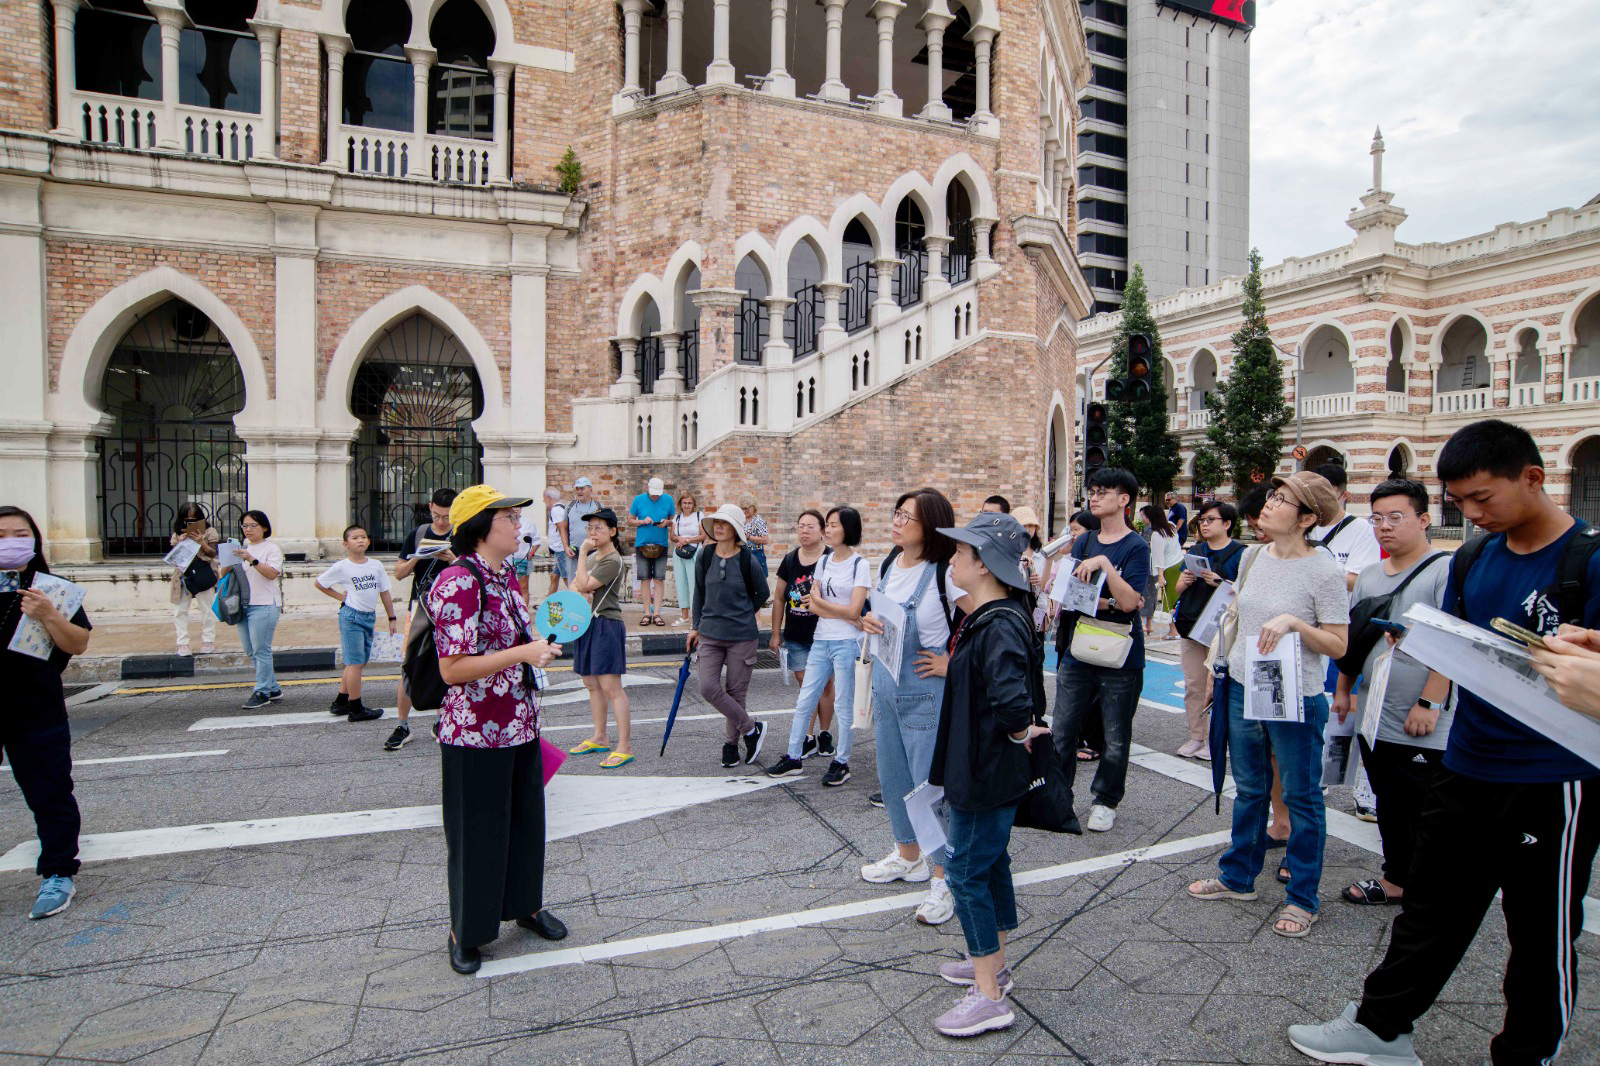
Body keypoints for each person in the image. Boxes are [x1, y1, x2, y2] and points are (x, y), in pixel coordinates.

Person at [1289, 420, 1600, 1066]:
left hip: (1552, 778)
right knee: (1430, 907)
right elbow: (1456, 641)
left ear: (1533, 479)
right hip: (1466, 763)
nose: (1474, 514)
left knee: (1541, 931)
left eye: (1483, 499)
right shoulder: (1475, 557)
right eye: (1461, 504)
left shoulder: (1587, 563)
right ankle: (1382, 1028)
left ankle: (1528, 1051)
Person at [1187, 471, 1349, 939]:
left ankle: (1303, 896)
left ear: (1307, 518)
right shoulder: (1252, 556)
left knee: (1300, 795)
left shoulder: (1323, 570)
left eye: (1283, 500)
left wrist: (1296, 623)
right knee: (1251, 788)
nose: (1270, 504)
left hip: (1295, 696)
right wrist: (1221, 670)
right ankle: (1238, 877)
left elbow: (1338, 645)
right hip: (1242, 684)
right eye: (1273, 496)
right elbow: (1235, 617)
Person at [429, 485, 566, 975]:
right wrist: (522, 654)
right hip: (474, 731)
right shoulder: (458, 581)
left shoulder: (504, 574)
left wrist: (538, 646)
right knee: (476, 834)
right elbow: (453, 669)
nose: (518, 524)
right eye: (508, 516)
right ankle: (465, 930)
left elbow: (517, 635)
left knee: (525, 824)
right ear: (482, 527)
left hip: (518, 721)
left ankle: (524, 906)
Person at [925, 511, 1049, 1039]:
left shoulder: (997, 621)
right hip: (985, 764)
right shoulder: (996, 613)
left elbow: (1011, 701)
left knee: (967, 872)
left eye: (960, 553)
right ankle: (992, 965)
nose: (952, 559)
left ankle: (989, 995)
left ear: (982, 564)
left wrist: (1022, 733)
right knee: (990, 862)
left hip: (984, 767)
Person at [1331, 478, 1450, 907]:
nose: (1384, 526)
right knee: (1391, 802)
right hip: (1375, 711)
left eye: (1396, 517)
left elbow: (1451, 643)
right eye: (1377, 518)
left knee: (1426, 806)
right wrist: (1344, 689)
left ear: (1423, 519)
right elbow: (1356, 637)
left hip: (1422, 716)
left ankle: (1429, 884)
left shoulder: (1444, 570)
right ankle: (1398, 877)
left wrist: (1430, 702)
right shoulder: (1369, 576)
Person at [857, 489, 967, 926]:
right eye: (897, 513)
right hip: (886, 687)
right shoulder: (888, 564)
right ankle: (908, 856)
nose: (898, 521)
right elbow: (880, 617)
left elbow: (987, 618)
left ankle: (944, 877)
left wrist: (952, 662)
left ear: (931, 527)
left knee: (929, 790)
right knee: (893, 778)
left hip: (926, 693)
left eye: (909, 517)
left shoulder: (945, 573)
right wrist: (866, 621)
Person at [0, 505, 92, 920]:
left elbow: (77, 644)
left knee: (50, 791)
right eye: (1, 536)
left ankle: (58, 871)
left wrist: (48, 614)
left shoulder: (53, 589)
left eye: (20, 534)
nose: (11, 543)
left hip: (36, 707)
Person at [1050, 468, 1150, 833]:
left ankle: (1106, 800)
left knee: (1115, 733)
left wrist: (1105, 567)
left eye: (1103, 492)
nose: (1094, 497)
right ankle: (1059, 797)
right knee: (1063, 729)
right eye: (1091, 491)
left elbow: (1130, 603)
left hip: (1121, 653)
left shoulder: (1136, 546)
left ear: (1124, 499)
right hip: (1079, 646)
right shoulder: (1084, 540)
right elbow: (1072, 595)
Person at [767, 506, 869, 786]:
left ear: (848, 529)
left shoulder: (860, 565)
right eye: (829, 525)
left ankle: (842, 761)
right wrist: (836, 609)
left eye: (834, 525)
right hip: (821, 639)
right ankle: (793, 755)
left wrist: (827, 607)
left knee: (844, 703)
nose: (828, 530)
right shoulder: (824, 562)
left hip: (847, 641)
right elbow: (814, 603)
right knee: (805, 700)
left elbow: (854, 610)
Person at [1311, 462, 1384, 822]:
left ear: (1342, 495)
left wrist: (1315, 574)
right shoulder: (1304, 524)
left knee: (1353, 710)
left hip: (1349, 630)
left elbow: (1358, 580)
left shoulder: (1361, 532)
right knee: (1324, 710)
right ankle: (1319, 781)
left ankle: (1365, 793)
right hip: (1310, 632)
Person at [689, 504, 771, 768]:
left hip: (741, 635)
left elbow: (762, 593)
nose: (719, 527)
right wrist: (695, 625)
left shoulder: (748, 560)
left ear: (736, 529)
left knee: (736, 693)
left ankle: (731, 745)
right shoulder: (705, 555)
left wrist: (745, 613)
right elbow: (699, 592)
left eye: (724, 523)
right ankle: (751, 728)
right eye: (716, 523)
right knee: (708, 687)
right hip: (710, 633)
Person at [1171, 498, 1244, 759]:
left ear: (1227, 524)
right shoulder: (1195, 551)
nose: (1204, 524)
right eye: (1202, 520)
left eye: (1210, 519)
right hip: (1191, 626)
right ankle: (1196, 737)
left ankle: (1218, 740)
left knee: (1223, 686)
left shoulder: (1241, 554)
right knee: (1194, 685)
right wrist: (1185, 581)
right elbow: (1177, 589)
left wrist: (1221, 582)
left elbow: (1244, 593)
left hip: (1222, 632)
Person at [388, 489, 457, 751]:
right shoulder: (417, 534)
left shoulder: (460, 535)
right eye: (437, 515)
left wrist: (452, 559)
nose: (441, 522)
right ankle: (402, 725)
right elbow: (398, 573)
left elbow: (472, 572)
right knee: (409, 667)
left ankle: (442, 719)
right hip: (419, 609)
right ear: (430, 508)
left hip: (450, 612)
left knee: (447, 666)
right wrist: (419, 556)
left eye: (447, 517)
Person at [315, 524, 397, 723]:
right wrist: (340, 597)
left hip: (369, 617)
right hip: (351, 617)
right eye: (355, 538)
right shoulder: (342, 566)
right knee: (355, 663)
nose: (360, 540)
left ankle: (341, 701)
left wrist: (391, 617)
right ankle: (356, 708)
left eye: (363, 537)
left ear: (369, 541)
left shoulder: (376, 565)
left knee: (356, 662)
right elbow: (319, 583)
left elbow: (384, 592)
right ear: (346, 544)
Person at [569, 508, 632, 768]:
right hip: (588, 623)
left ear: (612, 532)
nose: (593, 532)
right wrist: (580, 585)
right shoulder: (595, 557)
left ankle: (624, 745)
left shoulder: (611, 560)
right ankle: (600, 736)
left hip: (606, 624)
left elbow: (583, 585)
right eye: (590, 527)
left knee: (611, 687)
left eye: (598, 528)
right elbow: (574, 584)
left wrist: (582, 554)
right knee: (591, 683)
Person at [771, 509, 837, 758]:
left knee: (826, 685)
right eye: (800, 526)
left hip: (825, 633)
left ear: (822, 531)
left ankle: (825, 732)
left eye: (810, 526)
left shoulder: (831, 559)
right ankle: (807, 737)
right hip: (796, 634)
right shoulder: (790, 560)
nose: (805, 531)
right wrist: (776, 634)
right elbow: (779, 599)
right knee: (806, 684)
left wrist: (820, 599)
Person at [1056, 509, 1106, 764]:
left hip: (1091, 625)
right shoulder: (1067, 555)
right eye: (1070, 530)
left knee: (1092, 686)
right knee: (1066, 680)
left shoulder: (1097, 556)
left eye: (1076, 530)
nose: (1071, 535)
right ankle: (1072, 738)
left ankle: (1091, 738)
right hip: (1067, 620)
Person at [236, 511, 285, 710]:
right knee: (250, 649)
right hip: (243, 605)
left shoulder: (271, 549)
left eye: (253, 525)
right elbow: (226, 574)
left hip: (264, 604)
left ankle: (262, 691)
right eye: (245, 526)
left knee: (261, 649)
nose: (248, 530)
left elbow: (272, 574)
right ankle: (273, 688)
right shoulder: (240, 548)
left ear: (264, 527)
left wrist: (251, 559)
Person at [168, 501, 219, 655]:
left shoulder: (209, 531)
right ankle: (182, 643)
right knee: (180, 610)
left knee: (208, 609)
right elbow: (175, 558)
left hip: (203, 571)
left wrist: (201, 542)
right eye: (187, 519)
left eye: (194, 519)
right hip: (183, 574)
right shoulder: (178, 534)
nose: (190, 522)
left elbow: (213, 554)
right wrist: (182, 543)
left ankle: (208, 640)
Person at [629, 477, 674, 625]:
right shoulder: (638, 499)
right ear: (647, 488)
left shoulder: (668, 499)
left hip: (661, 544)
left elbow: (672, 520)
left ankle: (657, 613)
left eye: (658, 494)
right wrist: (642, 521)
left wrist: (665, 522)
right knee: (645, 579)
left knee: (659, 579)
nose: (655, 496)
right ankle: (647, 613)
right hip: (642, 544)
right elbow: (630, 520)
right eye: (653, 493)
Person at [1137, 504, 1182, 637]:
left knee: (1169, 600)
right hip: (1179, 563)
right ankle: (1176, 629)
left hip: (1168, 568)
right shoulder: (1171, 526)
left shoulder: (1157, 534)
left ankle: (1173, 630)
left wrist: (1160, 576)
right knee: (1176, 599)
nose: (1143, 519)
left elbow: (1158, 557)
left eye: (1143, 516)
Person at [669, 490, 705, 627]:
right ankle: (684, 616)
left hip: (695, 552)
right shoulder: (677, 518)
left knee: (694, 584)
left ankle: (696, 617)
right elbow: (672, 536)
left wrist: (688, 539)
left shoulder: (698, 516)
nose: (687, 505)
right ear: (680, 504)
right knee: (681, 583)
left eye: (689, 503)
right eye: (684, 503)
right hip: (679, 552)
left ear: (693, 504)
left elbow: (703, 535)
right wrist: (679, 539)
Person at [564, 477, 600, 570]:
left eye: (582, 488)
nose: (579, 491)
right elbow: (563, 528)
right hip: (573, 551)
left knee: (590, 580)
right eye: (577, 488)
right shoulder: (569, 506)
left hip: (592, 551)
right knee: (573, 581)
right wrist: (566, 546)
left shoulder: (598, 507)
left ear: (590, 490)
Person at [542, 487, 571, 597]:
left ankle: (580, 600)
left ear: (549, 498)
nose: (544, 501)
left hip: (560, 549)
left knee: (567, 578)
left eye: (544, 499)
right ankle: (548, 602)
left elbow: (561, 527)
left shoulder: (556, 510)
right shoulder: (561, 507)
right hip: (559, 549)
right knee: (554, 576)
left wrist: (565, 546)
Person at [513, 505, 542, 601]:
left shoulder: (528, 522)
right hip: (508, 560)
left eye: (518, 507)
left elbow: (537, 541)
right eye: (514, 507)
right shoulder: (505, 522)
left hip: (522, 560)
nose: (516, 509)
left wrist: (531, 554)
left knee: (523, 587)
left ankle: (524, 612)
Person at [740, 495, 771, 578]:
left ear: (754, 508)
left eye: (747, 508)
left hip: (756, 554)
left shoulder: (758, 520)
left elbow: (765, 540)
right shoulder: (741, 520)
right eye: (743, 508)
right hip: (743, 553)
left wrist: (749, 537)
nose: (745, 510)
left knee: (758, 580)